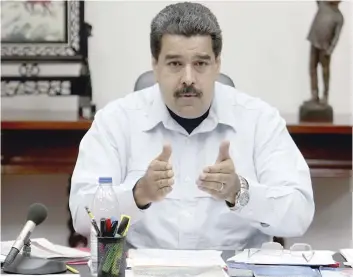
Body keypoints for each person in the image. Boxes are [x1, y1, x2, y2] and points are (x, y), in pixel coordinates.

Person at [69, 2, 315, 250]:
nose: (188, 78)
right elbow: (82, 216)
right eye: (175, 63)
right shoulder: (115, 121)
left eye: (200, 63)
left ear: (217, 64)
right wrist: (137, 195)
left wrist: (239, 192)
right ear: (155, 64)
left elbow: (299, 213)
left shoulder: (260, 120)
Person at [307, 0, 344, 105]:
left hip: (325, 48)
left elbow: (336, 36)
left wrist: (330, 49)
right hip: (314, 41)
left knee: (325, 73)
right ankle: (314, 95)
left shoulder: (339, 17)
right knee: (312, 69)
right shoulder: (323, 4)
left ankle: (325, 96)